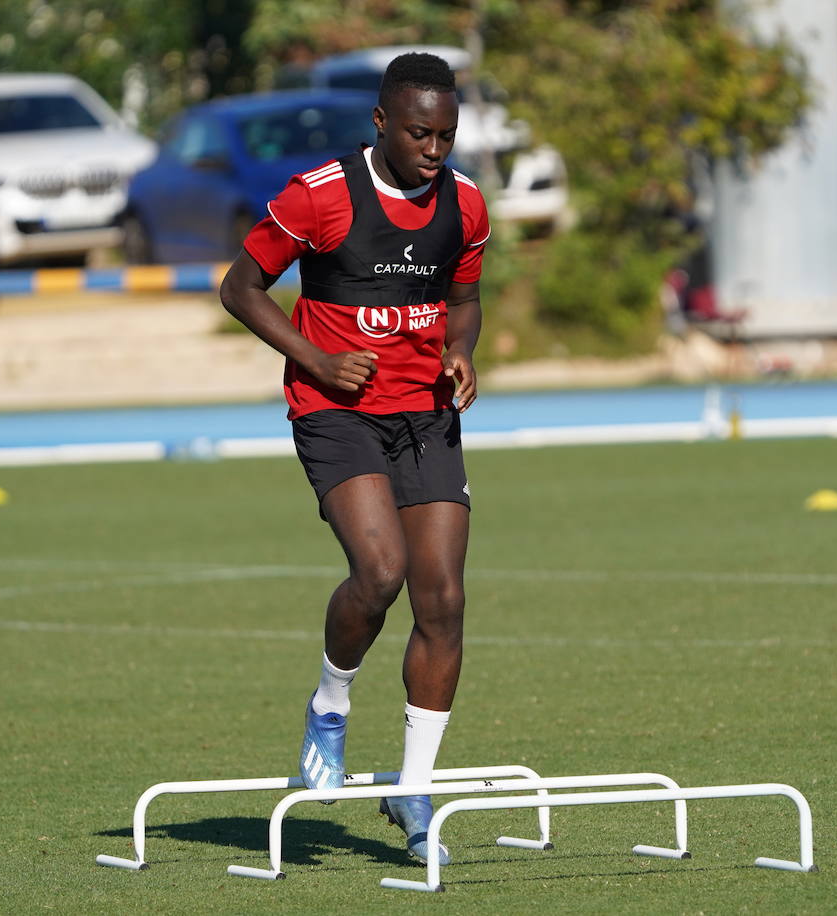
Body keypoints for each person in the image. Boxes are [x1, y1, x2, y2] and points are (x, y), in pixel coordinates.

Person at [219, 51, 488, 865]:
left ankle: (413, 791)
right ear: (380, 122)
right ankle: (329, 706)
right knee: (380, 572)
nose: (434, 150)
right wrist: (316, 359)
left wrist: (462, 353)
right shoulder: (321, 196)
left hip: (427, 416)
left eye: (445, 134)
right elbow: (240, 287)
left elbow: (465, 302)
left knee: (442, 597)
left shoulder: (467, 205)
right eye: (418, 133)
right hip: (336, 410)